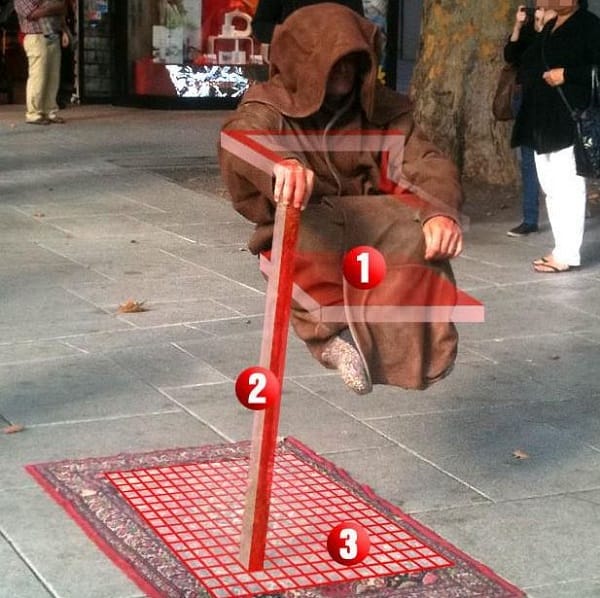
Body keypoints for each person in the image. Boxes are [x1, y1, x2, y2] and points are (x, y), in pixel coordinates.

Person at [219, 4, 463, 394]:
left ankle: (426, 349)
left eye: (352, 61)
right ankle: (332, 338)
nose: (345, 71)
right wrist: (281, 166)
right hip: (309, 216)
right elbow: (242, 137)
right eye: (334, 62)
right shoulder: (269, 103)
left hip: (372, 213)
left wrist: (440, 212)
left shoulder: (385, 110)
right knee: (307, 238)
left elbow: (426, 161)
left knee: (418, 232)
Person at [509, 0, 600, 272]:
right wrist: (529, 26)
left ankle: (568, 253)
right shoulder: (549, 26)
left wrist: (567, 74)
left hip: (568, 118)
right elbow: (518, 57)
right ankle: (561, 248)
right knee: (550, 187)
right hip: (540, 119)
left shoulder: (589, 25)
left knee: (568, 187)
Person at [504, 5, 543, 237]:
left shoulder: (556, 31)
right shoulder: (527, 29)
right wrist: (518, 26)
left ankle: (574, 207)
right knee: (528, 159)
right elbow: (510, 56)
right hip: (524, 98)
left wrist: (542, 28)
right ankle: (530, 218)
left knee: (556, 161)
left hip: (550, 101)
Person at [14, 0, 66, 125]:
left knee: (53, 76)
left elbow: (62, 7)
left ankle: (50, 111)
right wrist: (51, 7)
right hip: (35, 36)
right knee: (39, 76)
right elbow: (32, 14)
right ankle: (34, 114)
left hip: (52, 33)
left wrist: (45, 7)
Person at [251, 0, 364, 44]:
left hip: (338, 64)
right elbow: (260, 25)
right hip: (295, 67)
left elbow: (360, 27)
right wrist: (288, 33)